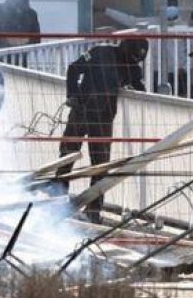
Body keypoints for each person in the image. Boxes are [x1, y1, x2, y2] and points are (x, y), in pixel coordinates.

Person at [57, 39, 149, 223]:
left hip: (103, 117)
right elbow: (74, 68)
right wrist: (73, 95)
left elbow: (139, 86)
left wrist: (139, 89)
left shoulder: (132, 68)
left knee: (100, 165)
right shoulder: (99, 52)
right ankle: (57, 200)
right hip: (82, 110)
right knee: (68, 155)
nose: (130, 64)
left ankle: (93, 211)